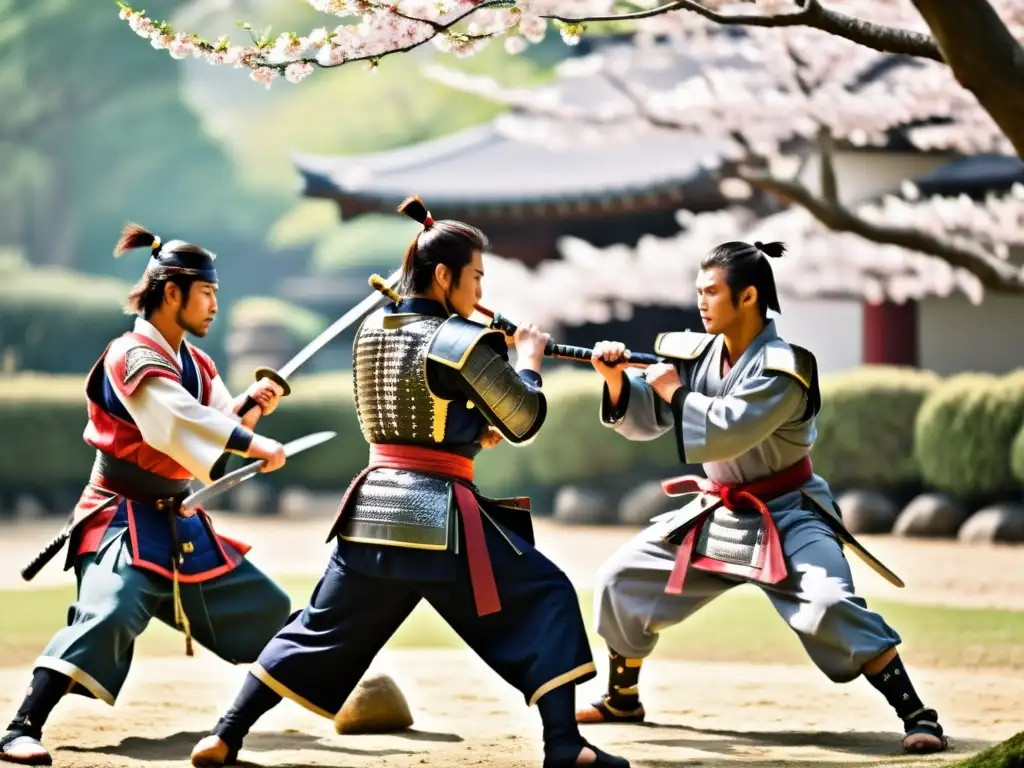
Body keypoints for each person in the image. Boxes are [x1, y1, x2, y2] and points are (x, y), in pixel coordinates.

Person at [190, 197, 629, 768]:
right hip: (440, 515)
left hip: (372, 509)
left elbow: (416, 414)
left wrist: (471, 431)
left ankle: (225, 734)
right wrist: (528, 358)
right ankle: (566, 747)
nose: (478, 291)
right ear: (443, 275)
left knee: (317, 628)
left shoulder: (372, 332)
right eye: (474, 278)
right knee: (545, 596)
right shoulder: (461, 340)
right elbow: (523, 418)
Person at [576, 240, 947, 755]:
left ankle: (917, 713)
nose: (701, 302)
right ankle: (622, 698)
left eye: (711, 292)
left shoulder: (787, 367)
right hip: (719, 509)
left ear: (748, 296)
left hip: (791, 511)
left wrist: (673, 393)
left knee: (829, 603)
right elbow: (652, 417)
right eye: (698, 292)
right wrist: (618, 382)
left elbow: (728, 430)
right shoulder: (698, 354)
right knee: (621, 577)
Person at [0, 224, 294, 766]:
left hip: (177, 522)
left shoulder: (197, 364)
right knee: (107, 613)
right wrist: (254, 440)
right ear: (171, 292)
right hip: (120, 518)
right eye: (205, 293)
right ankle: (21, 725)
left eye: (215, 294)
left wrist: (250, 405)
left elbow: (210, 425)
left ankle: (260, 716)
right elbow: (174, 423)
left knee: (275, 613)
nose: (213, 306)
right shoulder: (131, 356)